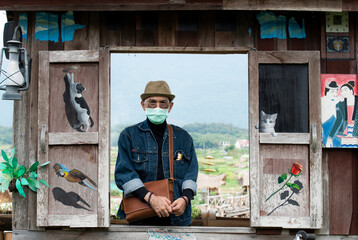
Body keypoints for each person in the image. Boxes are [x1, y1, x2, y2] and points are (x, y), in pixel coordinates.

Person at [115, 80, 198, 226]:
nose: (158, 107)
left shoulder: (184, 137)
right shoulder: (129, 135)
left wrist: (185, 199)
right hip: (141, 218)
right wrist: (151, 199)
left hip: (177, 218)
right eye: (152, 102)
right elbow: (124, 174)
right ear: (143, 105)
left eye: (163, 103)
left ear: (170, 106)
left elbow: (191, 174)